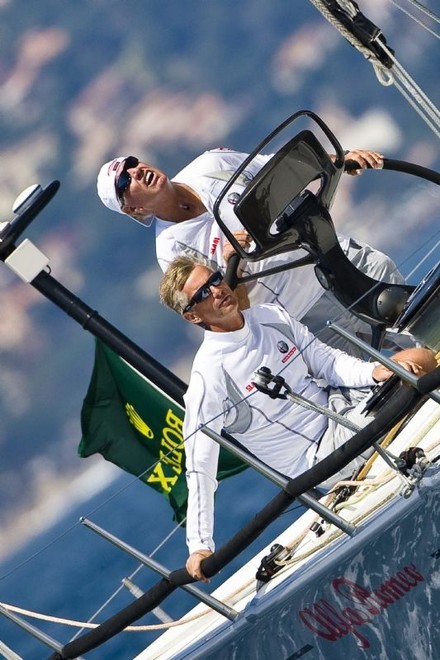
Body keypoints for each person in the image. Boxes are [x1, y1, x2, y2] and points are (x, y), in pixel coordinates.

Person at [158, 256, 436, 582]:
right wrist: (199, 545)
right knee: (415, 372)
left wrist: (375, 371)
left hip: (344, 411)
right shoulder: (208, 378)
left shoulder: (268, 316)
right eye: (203, 293)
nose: (217, 290)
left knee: (417, 359)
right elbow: (199, 467)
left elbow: (327, 363)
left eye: (215, 279)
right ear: (193, 316)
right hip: (322, 460)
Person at [97, 145, 407, 355]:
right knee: (392, 385)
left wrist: (343, 157)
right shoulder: (172, 251)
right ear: (132, 208)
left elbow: (279, 166)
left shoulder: (210, 164)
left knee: (423, 324)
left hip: (340, 259)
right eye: (125, 180)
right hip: (306, 316)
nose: (136, 172)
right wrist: (236, 263)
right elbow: (226, 310)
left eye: (133, 164)